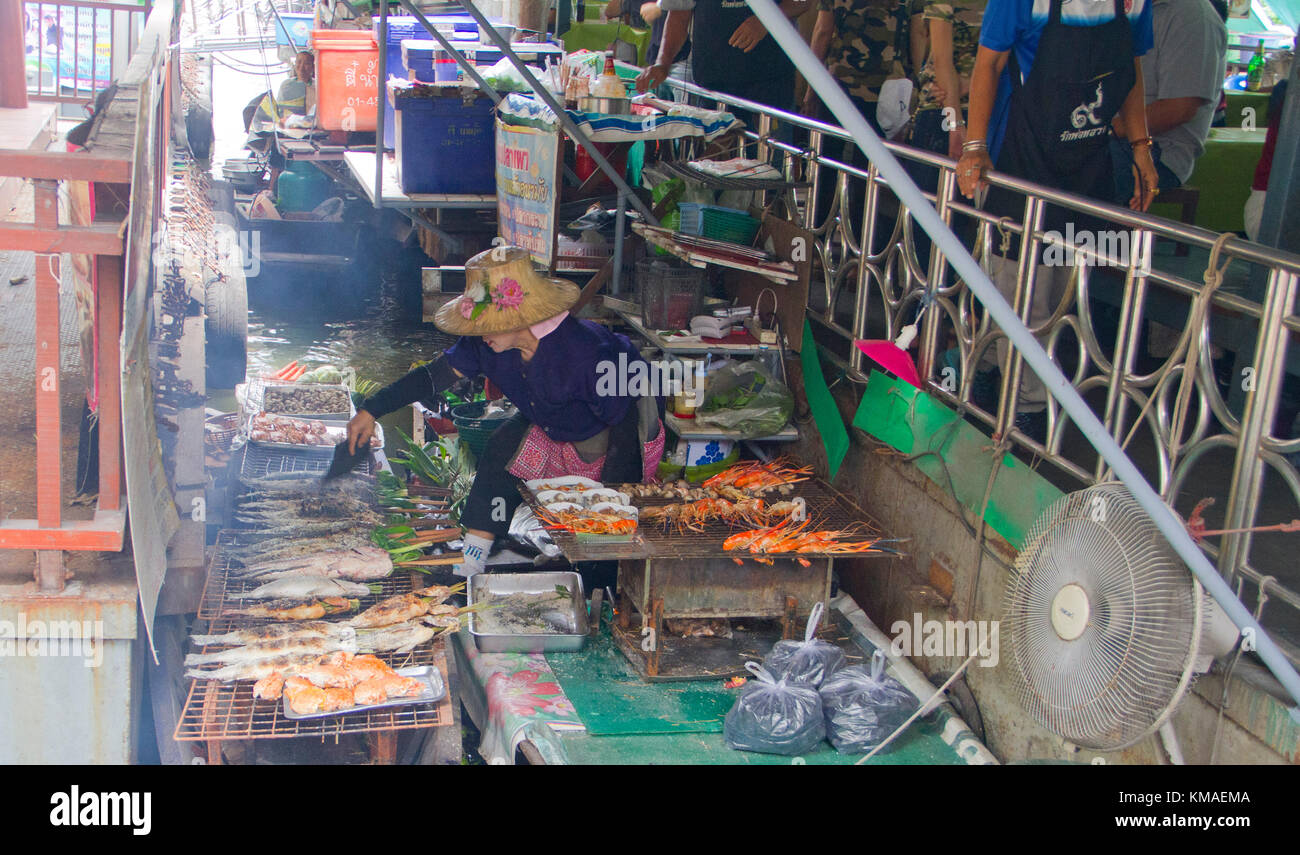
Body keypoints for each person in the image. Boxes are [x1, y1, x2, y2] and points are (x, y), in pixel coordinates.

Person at [346, 247, 665, 576]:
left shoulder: (586, 355)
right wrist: (372, 409)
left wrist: (613, 505)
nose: (480, 334)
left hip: (618, 422)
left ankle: (601, 578)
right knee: (501, 449)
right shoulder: (487, 343)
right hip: (552, 415)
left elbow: (624, 424)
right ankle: (473, 557)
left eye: (489, 325)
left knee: (605, 521)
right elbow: (434, 376)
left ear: (520, 321)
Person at [955, 0, 1157, 441]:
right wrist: (974, 145)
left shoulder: (1136, 4)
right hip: (1021, 159)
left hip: (1085, 165)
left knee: (1061, 291)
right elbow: (988, 64)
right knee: (1022, 289)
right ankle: (1025, 411)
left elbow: (1131, 68)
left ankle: (989, 375)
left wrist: (1141, 146)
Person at [1108, 0, 1227, 205]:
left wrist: (1107, 130)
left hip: (1160, 153)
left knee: (1078, 172)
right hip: (1115, 137)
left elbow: (1179, 109)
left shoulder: (1192, 16)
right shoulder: (1132, 8)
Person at [633, 0, 813, 120]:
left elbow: (803, 2)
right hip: (714, 86)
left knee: (768, 168)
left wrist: (764, 21)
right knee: (710, 166)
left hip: (770, 85)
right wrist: (662, 64)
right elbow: (678, 15)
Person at [804, 0, 917, 134]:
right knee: (874, 151)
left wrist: (810, 92)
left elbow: (823, 32)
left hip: (838, 85)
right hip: (886, 89)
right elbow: (918, 34)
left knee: (829, 149)